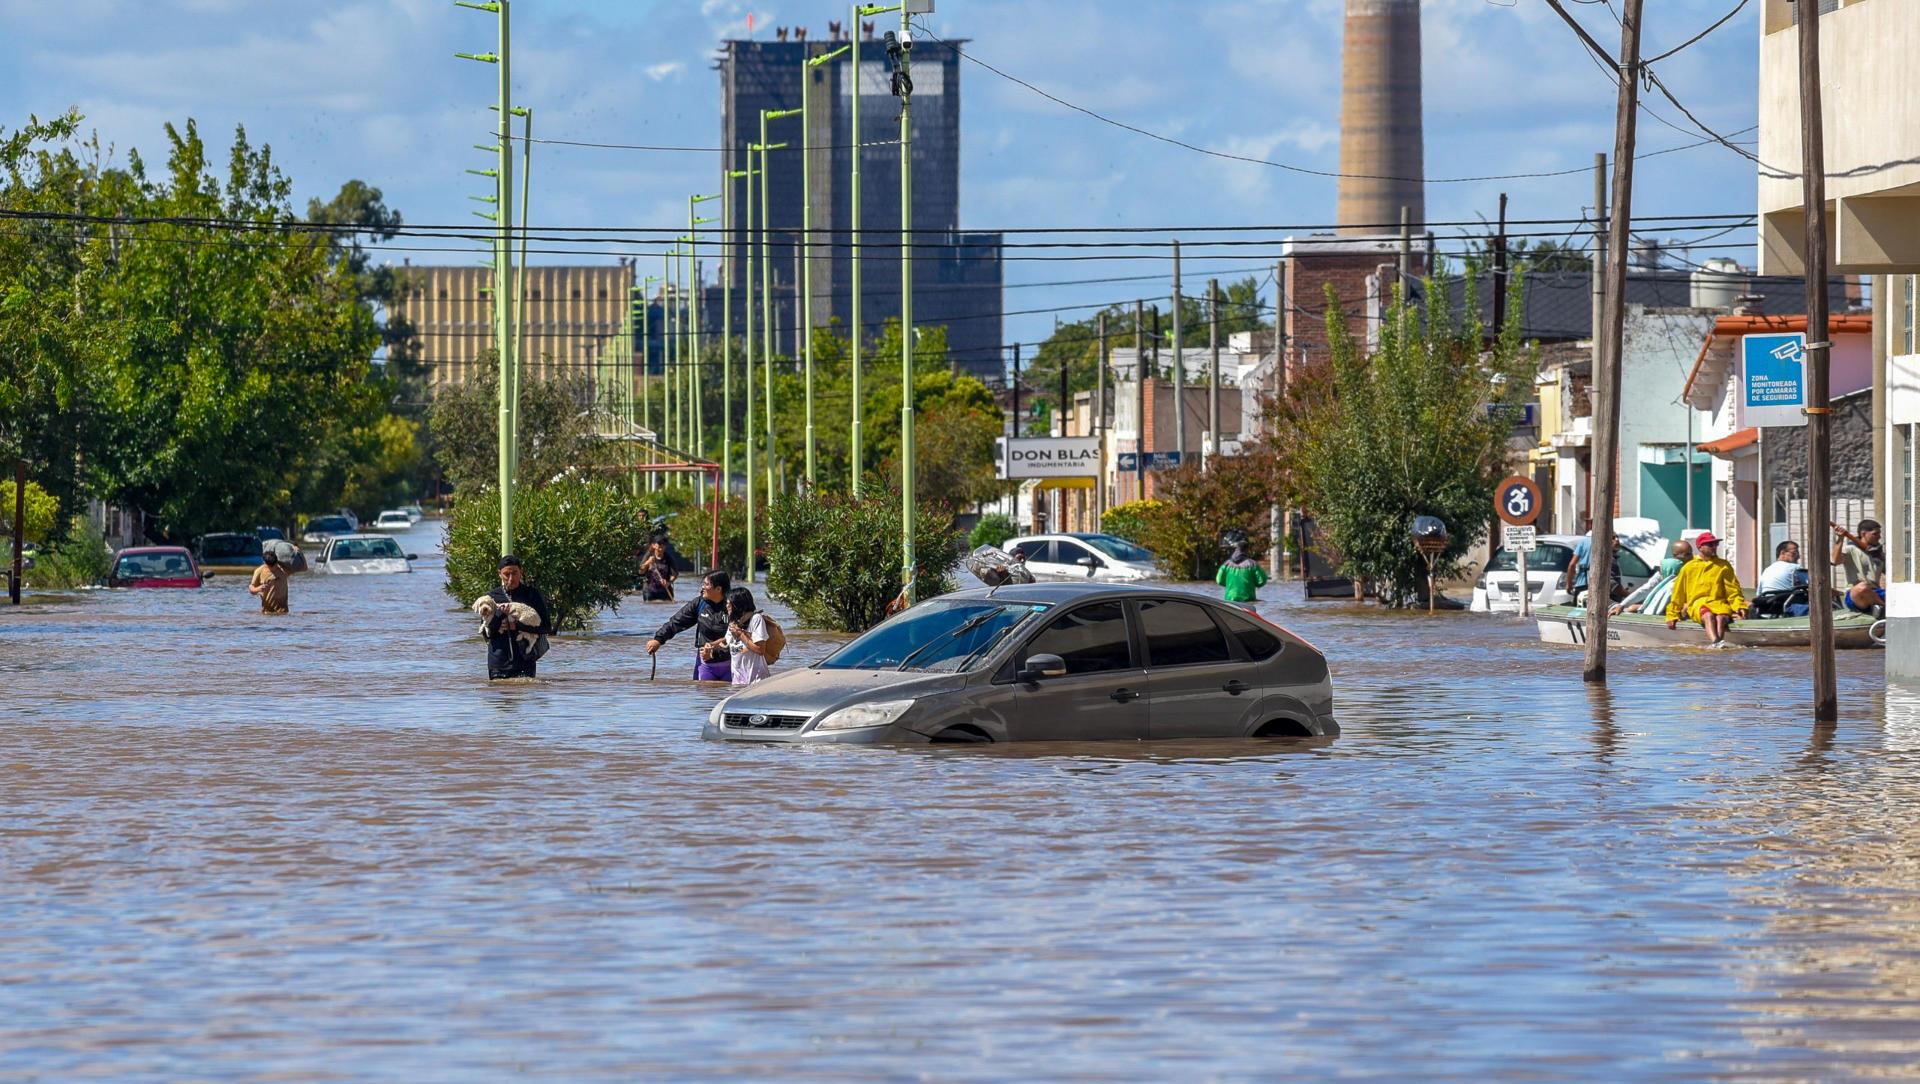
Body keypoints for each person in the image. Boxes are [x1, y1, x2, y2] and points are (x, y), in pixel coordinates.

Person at [646, 569, 734, 681]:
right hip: (705, 664)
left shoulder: (732, 605)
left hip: (731, 664)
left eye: (706, 584)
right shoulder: (699, 603)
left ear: (718, 589)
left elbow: (737, 637)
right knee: (703, 697)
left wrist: (713, 653)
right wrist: (658, 639)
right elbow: (676, 622)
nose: (703, 587)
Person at [1665, 532, 1747, 647]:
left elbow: (1732, 590)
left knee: (1721, 618)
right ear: (1700, 547)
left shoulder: (1723, 565)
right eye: (1710, 544)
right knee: (1708, 615)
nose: (1714, 547)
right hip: (1698, 604)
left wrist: (1739, 606)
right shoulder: (1688, 567)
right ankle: (1716, 642)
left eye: (1715, 544)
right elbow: (1678, 594)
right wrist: (1672, 614)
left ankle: (1718, 646)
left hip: (1719, 603)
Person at [485, 554, 553, 679]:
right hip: (498, 663)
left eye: (515, 573)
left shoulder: (532, 594)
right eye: (506, 574)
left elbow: (546, 627)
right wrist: (500, 616)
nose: (511, 579)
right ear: (499, 574)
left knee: (525, 695)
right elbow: (487, 633)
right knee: (499, 697)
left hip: (525, 660)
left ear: (521, 572)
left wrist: (517, 626)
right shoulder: (492, 597)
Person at [1612, 539, 1692, 616]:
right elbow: (1646, 589)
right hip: (1664, 610)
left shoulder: (1694, 567)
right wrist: (1622, 605)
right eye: (1687, 555)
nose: (1691, 557)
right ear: (1675, 555)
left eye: (1691, 553)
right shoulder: (1668, 568)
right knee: (1632, 608)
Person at [1831, 518, 1885, 617]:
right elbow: (1835, 560)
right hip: (1856, 595)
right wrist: (1840, 538)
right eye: (1875, 534)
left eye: (1879, 533)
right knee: (1862, 587)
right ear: (1863, 534)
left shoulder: (1878, 554)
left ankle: (1878, 606)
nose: (1879, 537)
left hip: (1875, 592)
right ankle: (1884, 607)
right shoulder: (1851, 549)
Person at [724, 587, 772, 686]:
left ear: (738, 605)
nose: (726, 606)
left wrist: (741, 635)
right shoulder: (734, 623)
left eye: (729, 604)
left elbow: (760, 650)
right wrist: (711, 646)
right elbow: (725, 641)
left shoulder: (756, 619)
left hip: (757, 682)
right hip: (738, 683)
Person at [247, 548, 290, 614]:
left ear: (277, 561)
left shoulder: (284, 568)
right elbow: (251, 589)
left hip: (283, 613)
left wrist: (297, 551)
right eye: (270, 566)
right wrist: (258, 589)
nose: (273, 568)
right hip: (267, 612)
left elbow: (304, 567)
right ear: (265, 563)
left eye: (275, 565)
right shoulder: (259, 571)